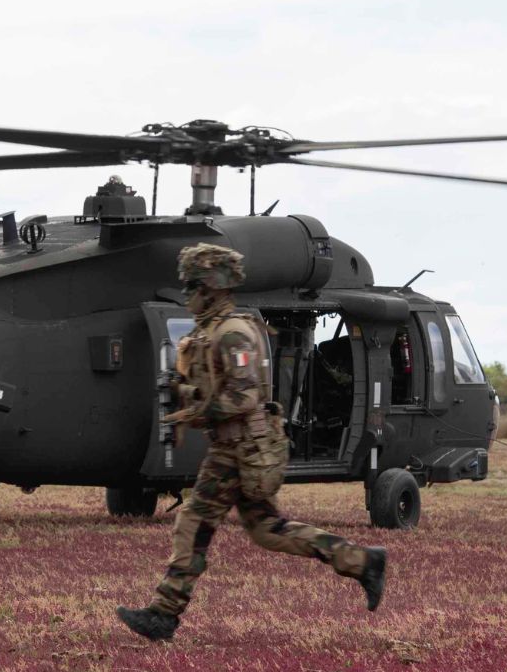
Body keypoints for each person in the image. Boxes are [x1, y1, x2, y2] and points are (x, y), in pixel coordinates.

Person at [116, 243, 385, 641]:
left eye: (192, 288)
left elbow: (244, 398)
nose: (187, 297)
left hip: (241, 448)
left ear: (211, 287)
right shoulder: (211, 330)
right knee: (267, 530)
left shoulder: (233, 333)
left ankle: (164, 613)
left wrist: (193, 402)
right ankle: (361, 560)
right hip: (236, 446)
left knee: (194, 520)